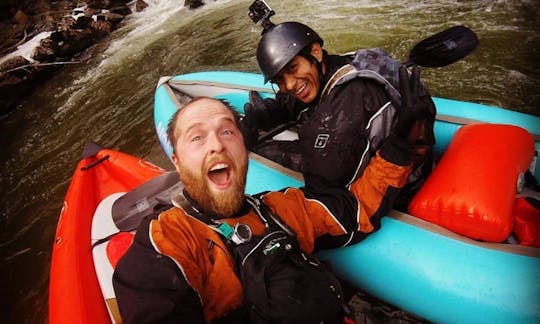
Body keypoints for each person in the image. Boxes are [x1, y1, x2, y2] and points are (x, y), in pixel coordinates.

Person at [112, 94, 422, 323]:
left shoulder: (278, 210)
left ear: (242, 149)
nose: (216, 145)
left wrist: (400, 148)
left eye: (227, 131)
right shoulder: (167, 242)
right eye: (197, 137)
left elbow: (356, 208)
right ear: (177, 162)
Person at [242, 21, 436, 210]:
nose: (290, 85)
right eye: (279, 80)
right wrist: (264, 116)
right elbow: (292, 103)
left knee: (266, 149)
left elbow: (324, 183)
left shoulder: (349, 101)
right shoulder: (334, 66)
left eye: (292, 68)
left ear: (315, 52)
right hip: (380, 153)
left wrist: (258, 148)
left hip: (402, 188)